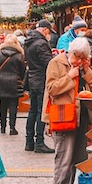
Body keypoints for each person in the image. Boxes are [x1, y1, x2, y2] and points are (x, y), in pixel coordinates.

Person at [42, 36, 92, 184]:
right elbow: (51, 89)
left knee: (80, 157)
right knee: (64, 158)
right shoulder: (56, 63)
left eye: (83, 58)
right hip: (63, 116)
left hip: (82, 116)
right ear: (70, 52)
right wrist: (69, 76)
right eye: (77, 57)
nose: (79, 61)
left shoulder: (82, 67)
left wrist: (87, 70)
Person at [24, 19, 56, 153]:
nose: (49, 34)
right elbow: (48, 64)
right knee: (40, 112)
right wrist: (53, 57)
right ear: (44, 30)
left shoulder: (29, 42)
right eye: (48, 31)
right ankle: (39, 142)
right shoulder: (41, 43)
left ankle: (29, 141)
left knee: (32, 111)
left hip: (32, 80)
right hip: (41, 80)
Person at [0, 33, 26, 135]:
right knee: (13, 105)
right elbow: (22, 71)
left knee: (2, 105)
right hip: (14, 82)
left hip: (2, 82)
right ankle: (12, 128)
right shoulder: (19, 56)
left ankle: (2, 127)